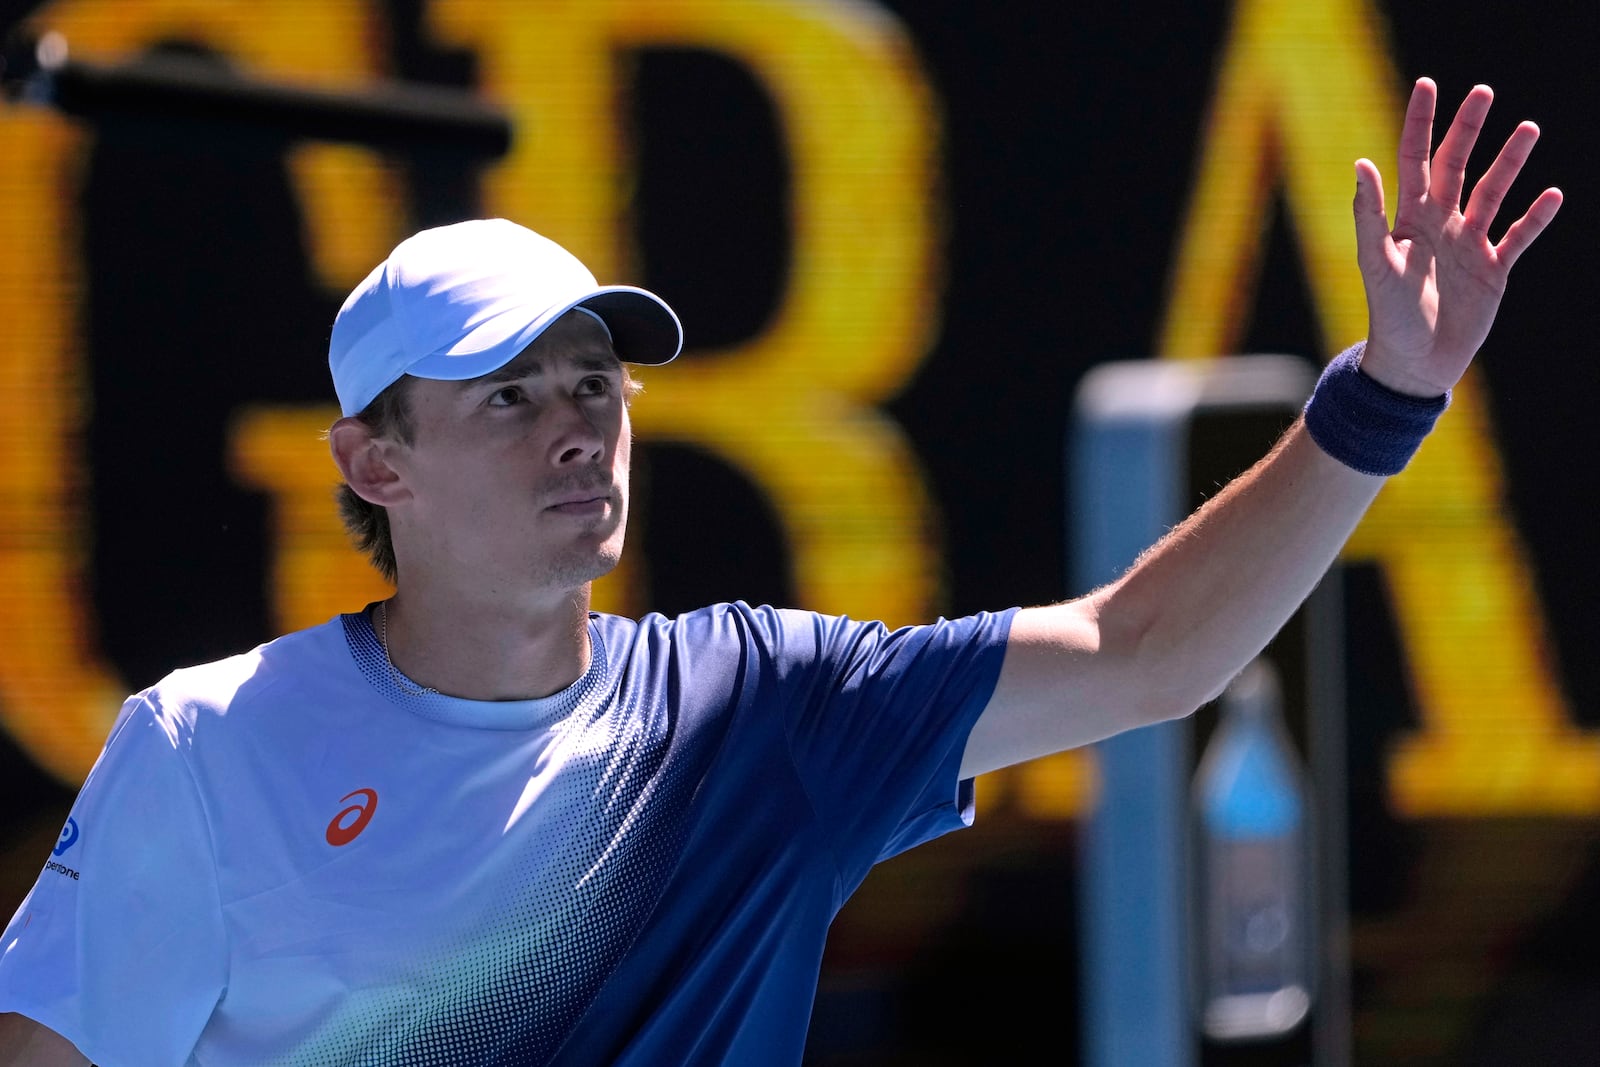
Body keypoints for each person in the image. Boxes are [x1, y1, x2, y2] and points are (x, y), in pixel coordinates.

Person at [0, 78, 1562, 1065]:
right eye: (509, 398)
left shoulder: (761, 714)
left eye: (595, 386)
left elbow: (1146, 651)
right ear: (373, 465)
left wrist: (1386, 401)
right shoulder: (204, 751)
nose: (575, 432)